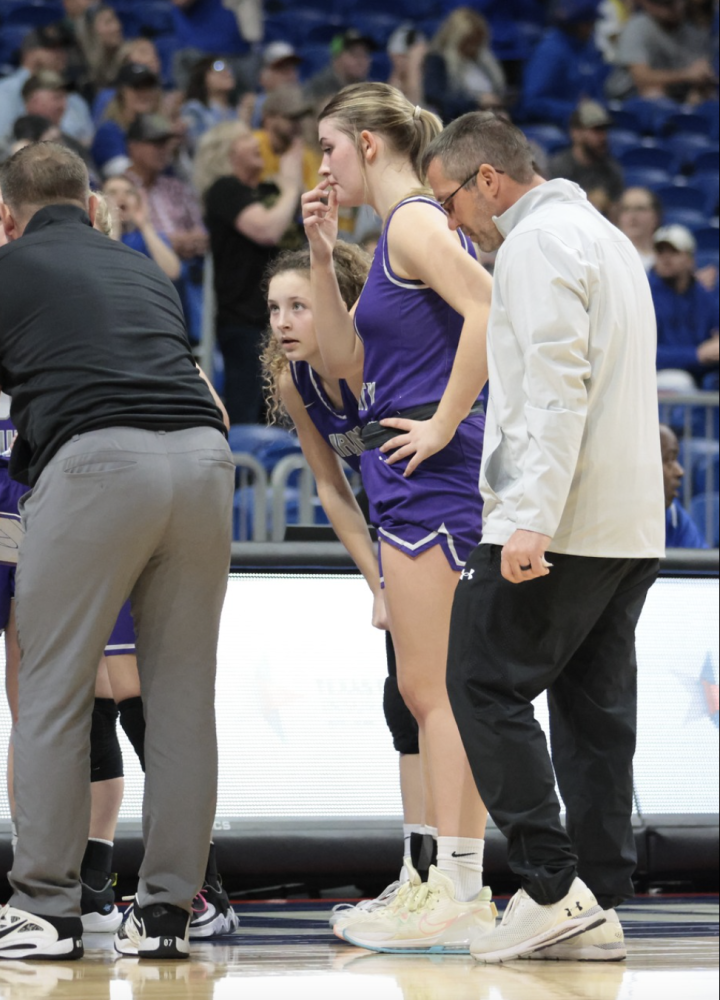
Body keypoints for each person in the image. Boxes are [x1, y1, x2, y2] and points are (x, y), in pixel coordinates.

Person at [0, 141, 229, 960]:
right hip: (206, 464)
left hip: (96, 464)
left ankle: (44, 909)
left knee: (55, 689)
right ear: (95, 207)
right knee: (179, 701)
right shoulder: (144, 269)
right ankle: (169, 912)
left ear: (6, 214)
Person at [424, 110, 664, 964]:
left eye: (451, 200)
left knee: (480, 681)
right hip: (631, 524)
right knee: (594, 713)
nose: (453, 222)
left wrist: (531, 515)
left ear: (487, 179)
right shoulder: (602, 236)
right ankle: (598, 897)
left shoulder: (534, 244)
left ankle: (552, 887)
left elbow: (559, 387)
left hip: (562, 517)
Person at [301, 83, 495, 954]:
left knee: (434, 689)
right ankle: (456, 883)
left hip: (436, 472)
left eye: (330, 148)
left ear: (370, 146)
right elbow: (343, 360)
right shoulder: (388, 236)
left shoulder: (416, 220)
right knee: (435, 688)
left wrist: (450, 420)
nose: (323, 165)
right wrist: (318, 250)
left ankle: (457, 886)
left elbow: (491, 305)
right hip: (408, 475)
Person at [258, 243, 440, 930]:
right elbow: (333, 492)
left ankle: (455, 872)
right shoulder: (294, 383)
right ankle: (416, 871)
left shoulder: (382, 358)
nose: (283, 320)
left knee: (444, 707)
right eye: (275, 308)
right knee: (406, 708)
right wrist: (381, 583)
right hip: (397, 544)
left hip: (446, 529)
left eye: (300, 305)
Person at [199, 120, 303, 424]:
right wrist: (291, 184)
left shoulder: (265, 192)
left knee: (281, 416)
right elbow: (266, 229)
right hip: (244, 323)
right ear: (225, 151)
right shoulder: (224, 189)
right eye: (246, 137)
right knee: (248, 413)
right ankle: (241, 471)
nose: (258, 141)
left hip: (276, 322)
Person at [0, 24, 95, 168]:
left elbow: (87, 142)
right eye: (51, 48)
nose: (60, 54)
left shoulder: (74, 97)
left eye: (63, 49)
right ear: (29, 53)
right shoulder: (2, 92)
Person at [126, 113, 209, 268]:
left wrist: (194, 239)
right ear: (134, 147)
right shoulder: (120, 188)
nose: (163, 150)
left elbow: (202, 232)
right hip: (144, 271)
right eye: (156, 143)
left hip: (188, 270)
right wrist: (167, 241)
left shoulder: (175, 186)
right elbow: (119, 238)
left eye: (166, 143)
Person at [648, 224, 720, 387]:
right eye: (660, 252)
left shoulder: (703, 294)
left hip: (701, 371)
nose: (665, 258)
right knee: (679, 382)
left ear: (690, 258)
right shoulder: (645, 293)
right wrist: (696, 355)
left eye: (674, 252)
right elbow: (644, 353)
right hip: (658, 373)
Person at [607, 0, 714, 103]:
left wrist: (700, 84)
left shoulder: (694, 30)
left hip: (677, 96)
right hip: (628, 98)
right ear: (647, 4)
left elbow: (701, 70)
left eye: (674, 1)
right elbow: (641, 78)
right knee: (654, 93)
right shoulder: (636, 27)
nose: (673, 7)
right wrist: (687, 75)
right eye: (664, 3)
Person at [521, 0, 609, 124]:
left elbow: (595, 92)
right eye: (589, 23)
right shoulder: (550, 51)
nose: (592, 28)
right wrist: (574, 110)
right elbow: (532, 102)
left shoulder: (589, 47)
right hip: (552, 123)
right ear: (577, 24)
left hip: (584, 123)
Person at [423, 7, 508, 120]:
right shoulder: (437, 61)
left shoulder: (484, 62)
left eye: (477, 42)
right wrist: (475, 103)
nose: (473, 47)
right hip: (458, 123)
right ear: (455, 38)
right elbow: (437, 100)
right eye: (469, 41)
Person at [102, 175, 182, 281]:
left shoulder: (150, 237)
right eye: (112, 193)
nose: (121, 197)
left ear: (138, 201)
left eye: (129, 192)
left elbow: (173, 272)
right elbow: (105, 272)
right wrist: (113, 228)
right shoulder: (94, 237)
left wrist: (145, 224)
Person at [546, 100, 624, 203]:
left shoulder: (611, 169)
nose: (603, 137)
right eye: (596, 130)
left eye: (604, 130)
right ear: (576, 133)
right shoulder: (558, 168)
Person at [91, 63, 162, 177]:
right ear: (122, 93)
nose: (145, 93)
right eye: (137, 87)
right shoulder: (109, 131)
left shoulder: (161, 132)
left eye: (149, 87)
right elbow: (123, 174)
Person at [256, 86, 320, 192]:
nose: (297, 124)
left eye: (300, 118)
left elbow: (315, 193)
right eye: (291, 117)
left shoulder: (303, 153)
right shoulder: (254, 146)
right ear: (268, 118)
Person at [180, 57, 248, 155]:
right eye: (218, 68)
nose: (226, 73)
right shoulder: (194, 109)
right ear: (203, 78)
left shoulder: (236, 112)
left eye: (228, 68)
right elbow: (200, 147)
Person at [660, 424, 706, 548]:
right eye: (668, 459)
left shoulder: (675, 513)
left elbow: (702, 563)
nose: (680, 471)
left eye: (676, 459)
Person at [303, 29, 374, 108]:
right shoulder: (319, 86)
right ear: (337, 57)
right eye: (355, 54)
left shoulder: (367, 86)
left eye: (365, 55)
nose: (361, 61)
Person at [615, 185, 661, 270]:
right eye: (626, 209)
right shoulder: (610, 254)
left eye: (640, 209)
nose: (633, 216)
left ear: (655, 216)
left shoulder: (667, 256)